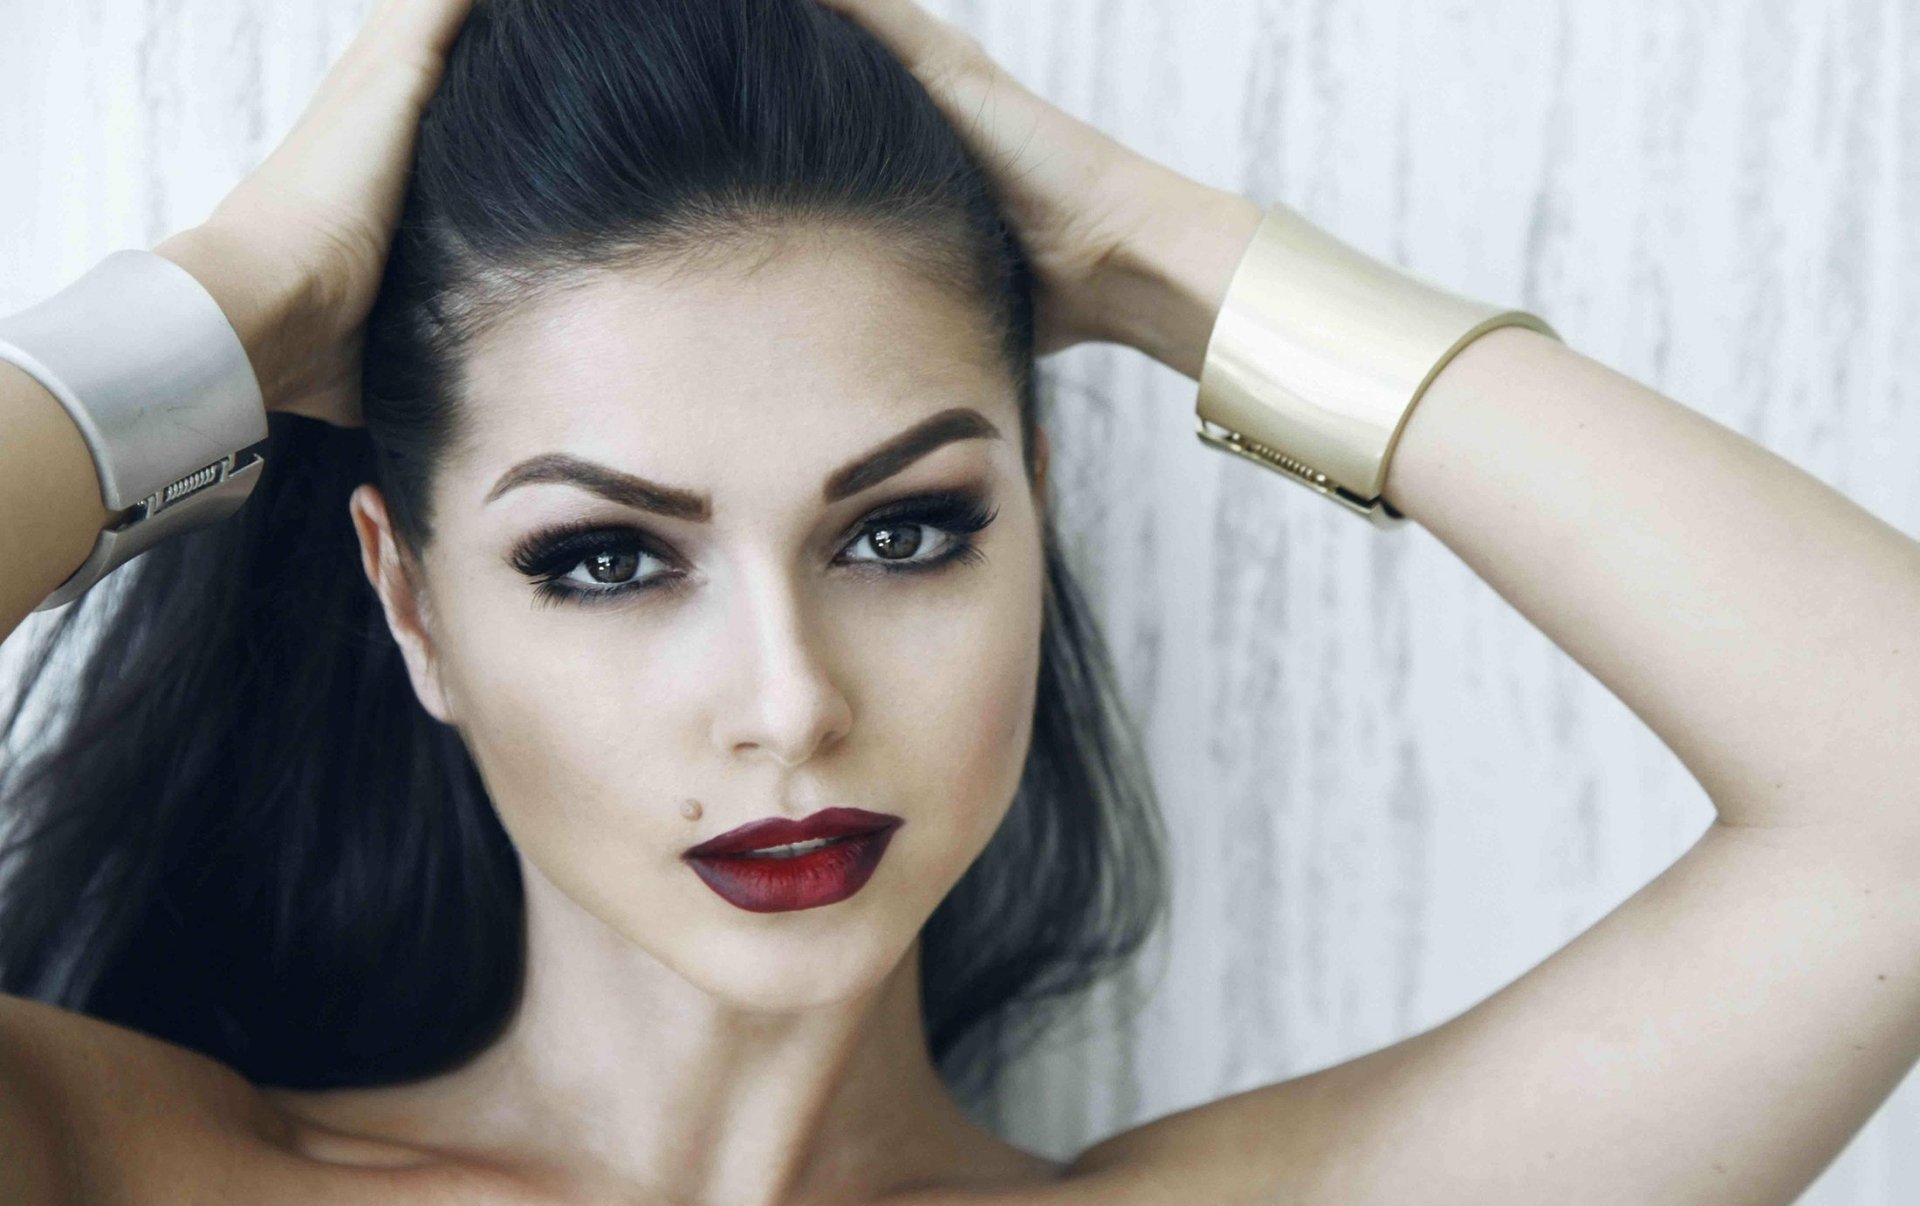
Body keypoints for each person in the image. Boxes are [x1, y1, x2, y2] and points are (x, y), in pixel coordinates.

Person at [0, 1, 1915, 1204]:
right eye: (603, 557)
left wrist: (1158, 257)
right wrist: (225, 313)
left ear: (1039, 513)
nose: (789, 702)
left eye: (903, 530)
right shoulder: (94, 1163)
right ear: (410, 604)